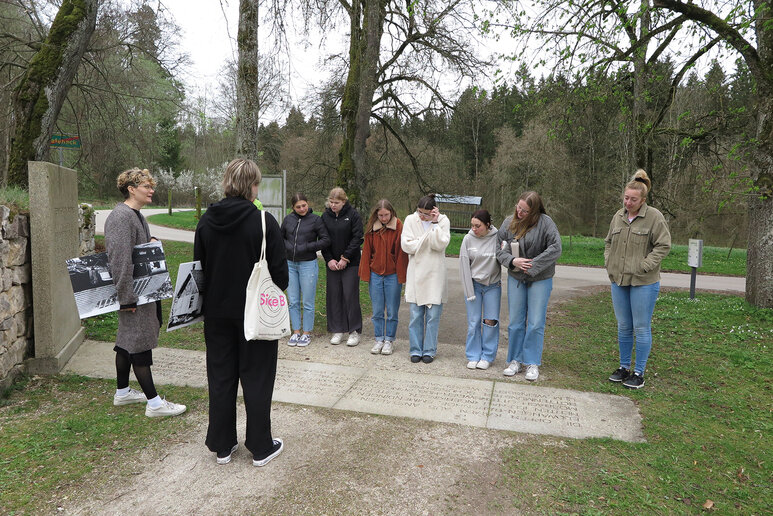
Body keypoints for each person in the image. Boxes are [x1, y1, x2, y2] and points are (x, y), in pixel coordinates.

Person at [194, 158, 289, 466]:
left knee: (221, 377)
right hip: (255, 314)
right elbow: (281, 277)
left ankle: (222, 444)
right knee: (257, 377)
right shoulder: (264, 222)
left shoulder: (206, 221)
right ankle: (260, 446)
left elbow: (199, 270)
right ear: (252, 186)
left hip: (217, 313)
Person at [105, 168, 186, 418]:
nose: (151, 190)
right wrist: (126, 297)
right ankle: (154, 404)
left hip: (142, 292)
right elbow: (119, 259)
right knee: (139, 345)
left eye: (151, 186)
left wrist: (151, 241)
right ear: (131, 189)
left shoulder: (136, 215)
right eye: (146, 186)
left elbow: (135, 247)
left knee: (125, 342)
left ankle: (122, 393)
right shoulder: (121, 217)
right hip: (133, 294)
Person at [605, 169, 671, 389]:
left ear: (643, 200)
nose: (628, 202)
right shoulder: (618, 216)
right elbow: (608, 243)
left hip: (644, 282)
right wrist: (609, 262)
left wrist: (645, 265)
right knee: (624, 326)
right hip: (619, 280)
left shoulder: (654, 217)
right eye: (626, 198)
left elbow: (663, 245)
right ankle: (624, 367)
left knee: (641, 327)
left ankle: (638, 372)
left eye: (633, 199)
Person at [496, 191, 562, 381]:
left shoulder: (546, 223)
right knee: (515, 321)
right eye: (518, 207)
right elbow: (498, 249)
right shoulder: (509, 222)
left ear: (534, 211)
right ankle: (515, 360)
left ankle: (532, 362)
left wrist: (533, 264)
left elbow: (556, 248)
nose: (519, 212)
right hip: (516, 278)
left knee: (535, 322)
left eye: (524, 211)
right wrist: (513, 261)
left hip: (540, 278)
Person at [401, 194, 451, 363]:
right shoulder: (410, 220)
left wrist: (434, 224)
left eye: (425, 214)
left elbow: (440, 245)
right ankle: (415, 349)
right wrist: (425, 240)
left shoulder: (443, 221)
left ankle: (429, 350)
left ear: (434, 212)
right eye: (419, 212)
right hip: (415, 273)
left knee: (432, 316)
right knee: (415, 315)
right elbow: (406, 245)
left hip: (435, 275)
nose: (421, 216)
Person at [358, 199, 409, 355]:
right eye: (381, 215)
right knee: (377, 310)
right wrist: (365, 273)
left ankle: (389, 340)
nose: (384, 218)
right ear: (376, 214)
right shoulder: (372, 227)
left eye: (386, 215)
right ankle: (379, 338)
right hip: (376, 274)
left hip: (392, 275)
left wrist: (401, 275)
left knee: (392, 311)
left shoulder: (399, 226)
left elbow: (401, 253)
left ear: (391, 212)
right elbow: (367, 251)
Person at [280, 193, 330, 347]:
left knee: (308, 301)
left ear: (308, 204)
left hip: (308, 263)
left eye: (304, 205)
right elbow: (279, 237)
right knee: (293, 301)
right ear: (293, 207)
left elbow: (325, 240)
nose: (302, 209)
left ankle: (307, 332)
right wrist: (287, 246)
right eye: (298, 207)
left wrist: (308, 247)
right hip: (290, 264)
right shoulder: (288, 219)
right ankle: (296, 331)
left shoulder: (316, 220)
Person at [321, 187, 364, 346]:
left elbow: (357, 238)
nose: (333, 205)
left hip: (351, 263)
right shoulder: (325, 216)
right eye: (331, 202)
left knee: (350, 296)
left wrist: (345, 258)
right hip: (332, 263)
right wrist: (329, 260)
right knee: (334, 296)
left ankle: (353, 331)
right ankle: (337, 330)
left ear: (344, 201)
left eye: (336, 203)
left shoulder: (353, 215)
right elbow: (323, 239)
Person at [459, 209, 501, 370]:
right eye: (472, 226)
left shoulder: (497, 237)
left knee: (490, 321)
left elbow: (504, 256)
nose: (474, 229)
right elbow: (464, 266)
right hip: (474, 285)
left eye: (478, 226)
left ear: (488, 225)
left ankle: (487, 356)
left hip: (492, 285)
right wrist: (469, 292)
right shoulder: (468, 239)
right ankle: (473, 355)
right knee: (473, 321)